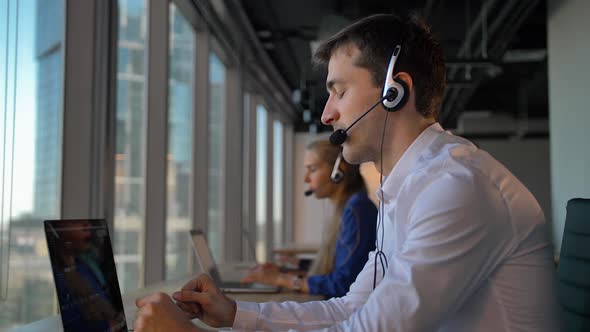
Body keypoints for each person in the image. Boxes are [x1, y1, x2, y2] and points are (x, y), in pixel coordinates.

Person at [134, 13, 560, 331]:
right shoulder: (408, 190)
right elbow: (348, 309)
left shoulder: (456, 188)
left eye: (339, 90)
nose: (326, 113)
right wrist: (236, 315)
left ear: (395, 93)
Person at [241, 140, 377, 298]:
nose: (306, 179)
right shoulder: (350, 206)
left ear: (338, 171)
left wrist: (280, 278)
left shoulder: (356, 211)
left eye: (312, 169)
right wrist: (296, 265)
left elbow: (344, 284)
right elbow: (342, 264)